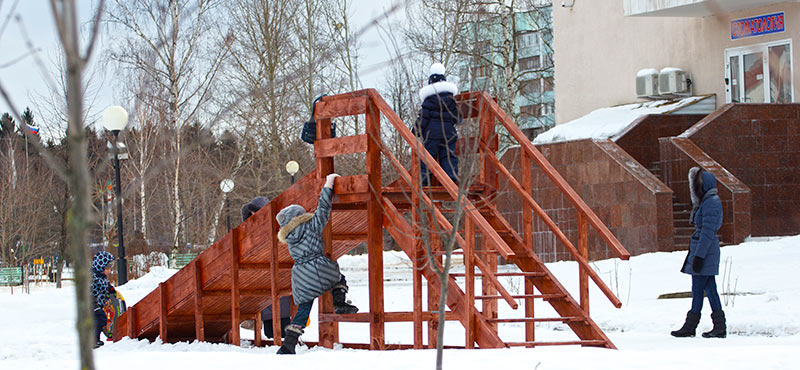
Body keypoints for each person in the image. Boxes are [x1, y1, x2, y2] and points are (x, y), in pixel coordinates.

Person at [274, 173, 358, 354]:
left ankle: (288, 345)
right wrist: (328, 184)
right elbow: (323, 207)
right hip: (318, 266)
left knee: (304, 308)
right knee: (338, 278)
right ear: (300, 216)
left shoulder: (288, 236)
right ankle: (339, 302)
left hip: (300, 274)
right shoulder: (311, 225)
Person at [671, 167, 726, 338]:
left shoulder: (711, 203)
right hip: (704, 250)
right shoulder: (708, 202)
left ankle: (691, 326)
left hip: (705, 251)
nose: (698, 187)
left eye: (700, 184)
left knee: (698, 290)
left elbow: (707, 232)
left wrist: (699, 256)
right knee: (709, 289)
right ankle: (719, 326)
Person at [240, 196, 292, 338]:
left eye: (255, 213)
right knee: (270, 325)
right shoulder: (247, 231)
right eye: (251, 214)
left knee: (280, 315)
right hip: (260, 271)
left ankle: (282, 334)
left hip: (274, 271)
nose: (253, 216)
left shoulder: (274, 228)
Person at [415, 62, 461, 186]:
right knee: (448, 156)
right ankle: (450, 178)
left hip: (432, 133)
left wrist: (415, 131)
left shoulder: (429, 99)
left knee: (428, 157)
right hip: (449, 133)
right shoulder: (451, 99)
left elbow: (423, 117)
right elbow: (457, 117)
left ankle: (425, 181)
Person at [90, 251, 116, 348]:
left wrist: (110, 289)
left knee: (100, 320)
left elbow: (105, 286)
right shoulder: (93, 278)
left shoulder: (102, 277)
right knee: (99, 320)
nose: (109, 271)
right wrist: (94, 305)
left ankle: (95, 339)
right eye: (107, 268)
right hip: (93, 305)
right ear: (100, 267)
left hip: (99, 305)